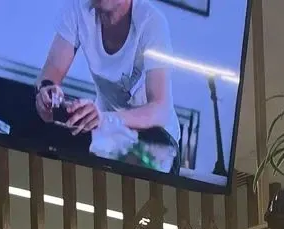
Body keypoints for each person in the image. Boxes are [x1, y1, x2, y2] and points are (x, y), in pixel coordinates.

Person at [35, 0, 181, 160]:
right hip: (107, 134)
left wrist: (106, 119)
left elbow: (160, 109)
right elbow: (48, 78)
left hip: (157, 140)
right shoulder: (78, 8)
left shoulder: (151, 22)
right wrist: (47, 93)